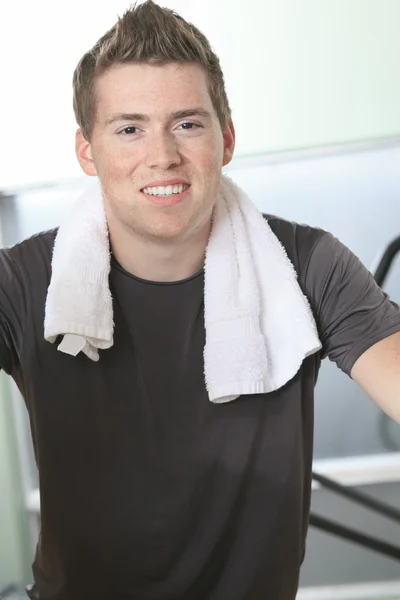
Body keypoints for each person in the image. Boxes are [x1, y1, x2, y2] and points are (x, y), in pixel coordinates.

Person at [0, 2, 399, 599]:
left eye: (187, 123)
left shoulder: (308, 265)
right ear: (87, 151)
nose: (162, 156)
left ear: (226, 138)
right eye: (129, 128)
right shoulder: (24, 281)